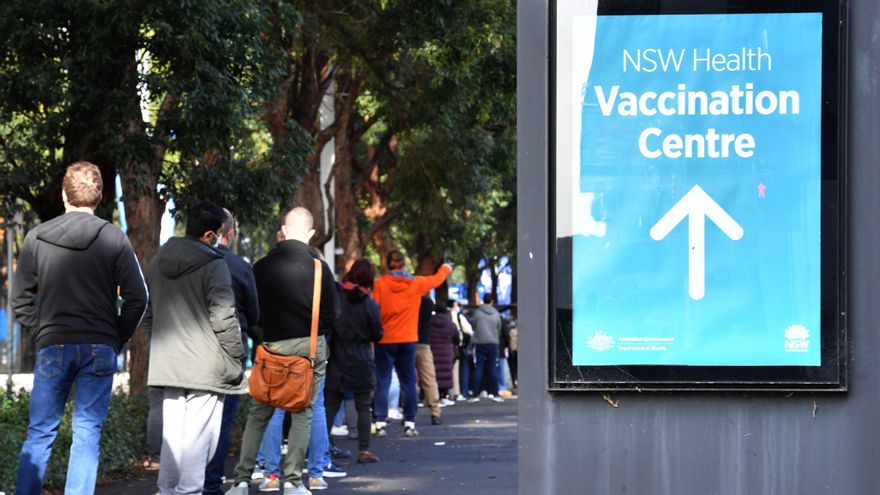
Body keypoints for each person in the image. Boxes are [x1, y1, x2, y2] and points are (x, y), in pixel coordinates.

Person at [12, 162, 148, 495]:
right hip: (99, 346)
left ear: (63, 194)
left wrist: (43, 331)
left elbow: (19, 301)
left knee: (40, 432)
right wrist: (116, 336)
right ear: (99, 197)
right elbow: (138, 298)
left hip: (54, 344)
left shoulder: (36, 238)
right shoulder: (114, 238)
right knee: (87, 433)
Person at [229, 207, 336, 495]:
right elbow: (332, 314)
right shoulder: (318, 267)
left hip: (270, 346)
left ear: (284, 231)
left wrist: (262, 336)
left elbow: (250, 312)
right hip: (309, 347)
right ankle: (292, 482)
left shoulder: (261, 266)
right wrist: (316, 336)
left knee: (260, 412)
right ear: (311, 233)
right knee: (303, 411)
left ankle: (241, 480)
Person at [142, 200, 247, 495]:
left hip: (168, 364)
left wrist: (161, 342)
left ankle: (167, 490)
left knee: (173, 437)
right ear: (210, 235)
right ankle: (188, 491)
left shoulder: (157, 261)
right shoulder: (215, 265)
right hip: (206, 366)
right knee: (200, 440)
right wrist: (236, 355)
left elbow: (147, 312)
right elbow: (224, 316)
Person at [203, 209, 261, 495]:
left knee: (189, 422)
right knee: (221, 421)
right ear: (229, 232)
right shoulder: (239, 266)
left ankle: (184, 483)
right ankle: (211, 483)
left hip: (191, 350)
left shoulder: (186, 263)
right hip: (229, 352)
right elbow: (254, 313)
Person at [372, 251, 451, 438]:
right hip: (408, 338)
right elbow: (436, 279)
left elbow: (375, 310)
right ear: (404, 264)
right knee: (409, 381)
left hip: (386, 339)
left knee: (383, 381)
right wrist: (446, 268)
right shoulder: (416, 283)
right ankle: (410, 422)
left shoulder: (380, 284)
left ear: (388, 264)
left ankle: (380, 422)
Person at [324, 259, 384, 464]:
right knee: (363, 406)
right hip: (361, 360)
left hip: (337, 358)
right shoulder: (370, 304)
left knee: (330, 405)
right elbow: (377, 334)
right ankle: (364, 449)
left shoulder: (337, 298)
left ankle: (319, 449)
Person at [468, 293, 504, 403]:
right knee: (493, 368)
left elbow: (473, 325)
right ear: (492, 301)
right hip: (493, 342)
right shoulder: (496, 314)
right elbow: (499, 328)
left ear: (483, 300)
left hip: (480, 342)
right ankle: (495, 393)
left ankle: (475, 394)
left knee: (478, 367)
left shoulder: (477, 313)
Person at [415, 295, 443, 425]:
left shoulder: (407, 299)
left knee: (408, 381)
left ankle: (409, 414)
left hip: (407, 342)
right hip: (424, 344)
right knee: (429, 379)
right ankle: (435, 412)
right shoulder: (427, 302)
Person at [429, 303, 458, 404]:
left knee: (434, 373)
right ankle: (444, 395)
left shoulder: (430, 322)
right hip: (446, 351)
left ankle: (434, 395)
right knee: (445, 373)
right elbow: (456, 337)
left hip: (433, 351)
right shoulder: (450, 323)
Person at [447, 299, 474, 401]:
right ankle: (458, 392)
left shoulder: (444, 316)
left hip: (443, 345)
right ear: (454, 306)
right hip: (457, 346)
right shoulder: (458, 316)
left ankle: (447, 392)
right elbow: (469, 330)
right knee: (457, 370)